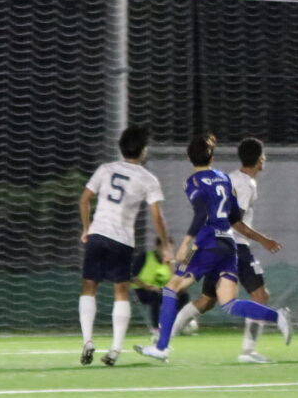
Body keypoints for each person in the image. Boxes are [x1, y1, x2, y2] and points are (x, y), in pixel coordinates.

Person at [134, 134, 285, 364]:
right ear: (212, 157)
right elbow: (234, 218)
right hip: (228, 244)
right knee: (225, 302)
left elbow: (202, 214)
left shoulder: (192, 182)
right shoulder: (224, 179)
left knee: (171, 288)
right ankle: (276, 318)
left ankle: (161, 346)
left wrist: (185, 243)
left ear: (189, 158)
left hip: (206, 243)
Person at [79, 125, 173, 366]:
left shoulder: (105, 169)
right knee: (120, 291)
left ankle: (87, 341)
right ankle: (115, 349)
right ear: (143, 150)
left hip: (97, 234)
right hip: (122, 240)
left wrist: (86, 229)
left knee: (89, 286)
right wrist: (166, 245)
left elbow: (84, 199)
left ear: (121, 148)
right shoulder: (147, 178)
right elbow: (157, 216)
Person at [130, 234, 174, 334]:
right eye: (165, 248)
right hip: (141, 290)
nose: (168, 251)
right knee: (155, 296)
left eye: (170, 249)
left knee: (182, 296)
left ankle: (176, 325)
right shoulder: (145, 257)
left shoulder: (170, 263)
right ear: (158, 246)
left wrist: (171, 264)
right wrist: (148, 287)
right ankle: (156, 328)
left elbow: (175, 281)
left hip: (161, 290)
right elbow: (133, 278)